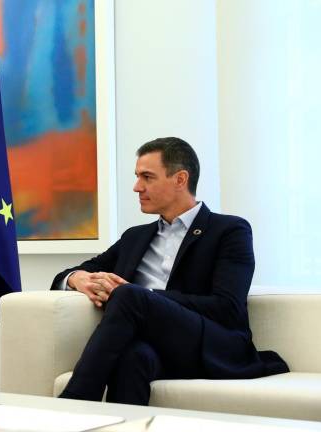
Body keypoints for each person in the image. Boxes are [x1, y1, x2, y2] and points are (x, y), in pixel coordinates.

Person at [51, 137, 288, 405]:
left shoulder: (229, 231)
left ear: (180, 179)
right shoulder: (135, 237)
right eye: (137, 176)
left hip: (209, 343)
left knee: (129, 295)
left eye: (147, 177)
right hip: (156, 347)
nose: (136, 187)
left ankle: (75, 401)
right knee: (133, 357)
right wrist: (78, 279)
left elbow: (227, 308)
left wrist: (146, 297)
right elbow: (73, 272)